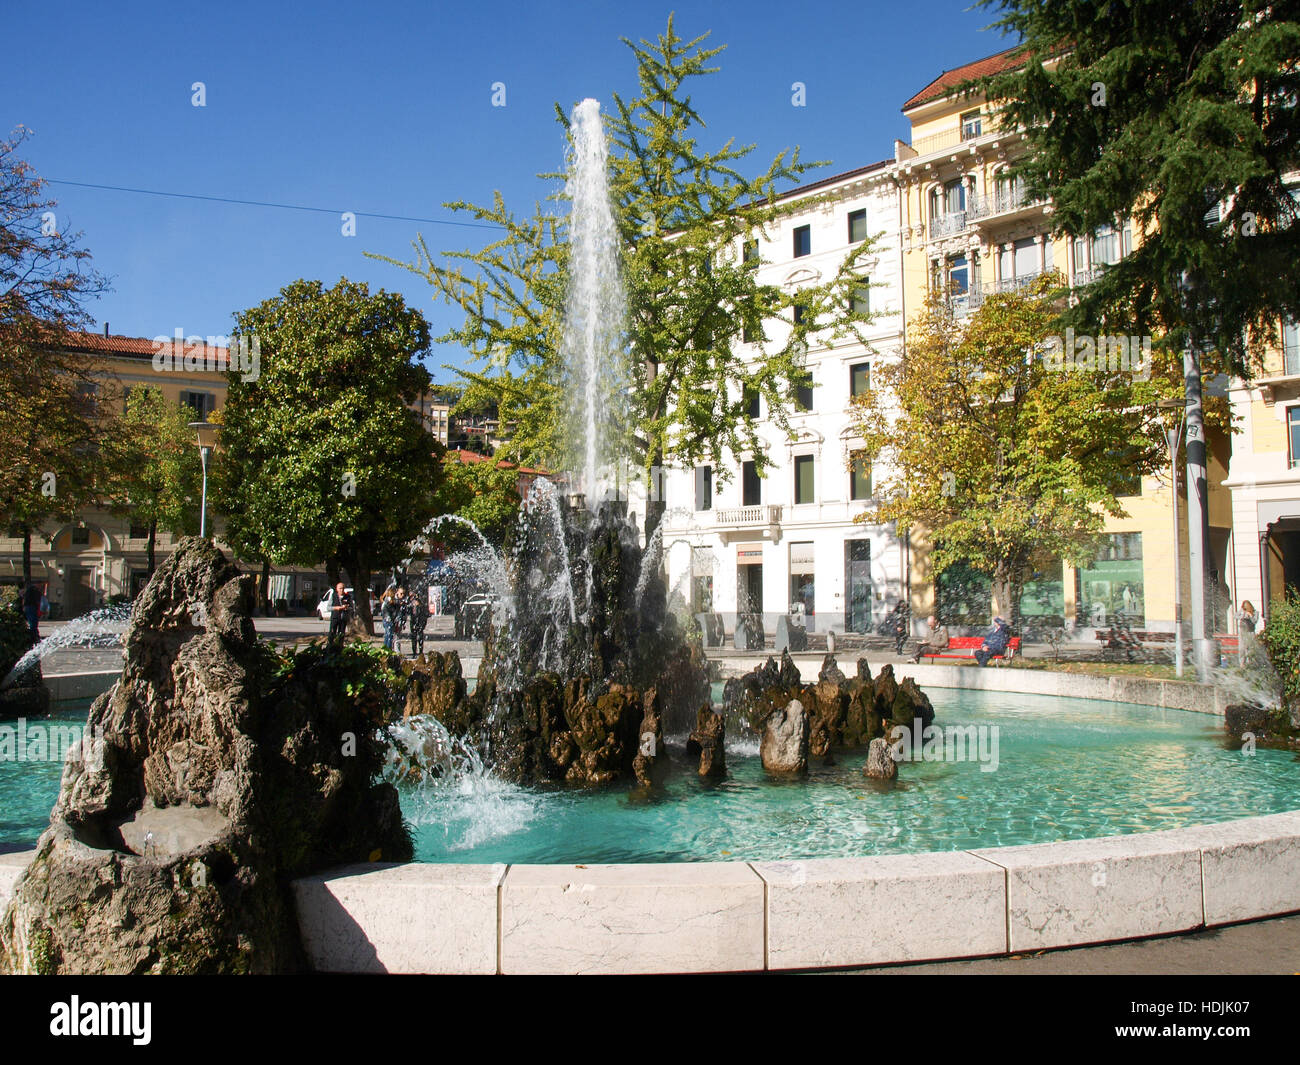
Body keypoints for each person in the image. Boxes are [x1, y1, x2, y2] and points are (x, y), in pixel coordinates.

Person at [326, 581, 352, 647]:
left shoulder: (348, 597)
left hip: (343, 618)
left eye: (343, 588)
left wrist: (347, 608)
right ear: (337, 589)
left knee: (341, 634)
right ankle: (330, 646)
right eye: (340, 588)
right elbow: (328, 607)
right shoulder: (333, 596)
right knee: (332, 633)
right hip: (335, 617)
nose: (341, 590)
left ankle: (340, 646)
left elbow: (352, 607)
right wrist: (336, 608)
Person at [407, 578, 429, 657]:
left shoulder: (421, 605)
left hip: (420, 623)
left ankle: (420, 652)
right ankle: (414, 652)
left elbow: (426, 614)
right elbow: (407, 611)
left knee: (420, 638)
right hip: (413, 623)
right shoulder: (410, 604)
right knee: (413, 638)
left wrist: (423, 624)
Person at [21, 580, 43, 645]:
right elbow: (27, 599)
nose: (40, 586)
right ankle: (33, 636)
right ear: (36, 584)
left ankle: (34, 635)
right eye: (39, 584)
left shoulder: (33, 590)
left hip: (32, 607)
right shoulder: (32, 590)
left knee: (34, 622)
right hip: (31, 607)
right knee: (33, 622)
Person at [380, 587, 401, 652]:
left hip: (388, 620)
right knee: (389, 636)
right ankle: (387, 650)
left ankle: (386, 649)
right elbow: (387, 612)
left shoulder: (389, 601)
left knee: (388, 635)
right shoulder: (388, 601)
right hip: (388, 620)